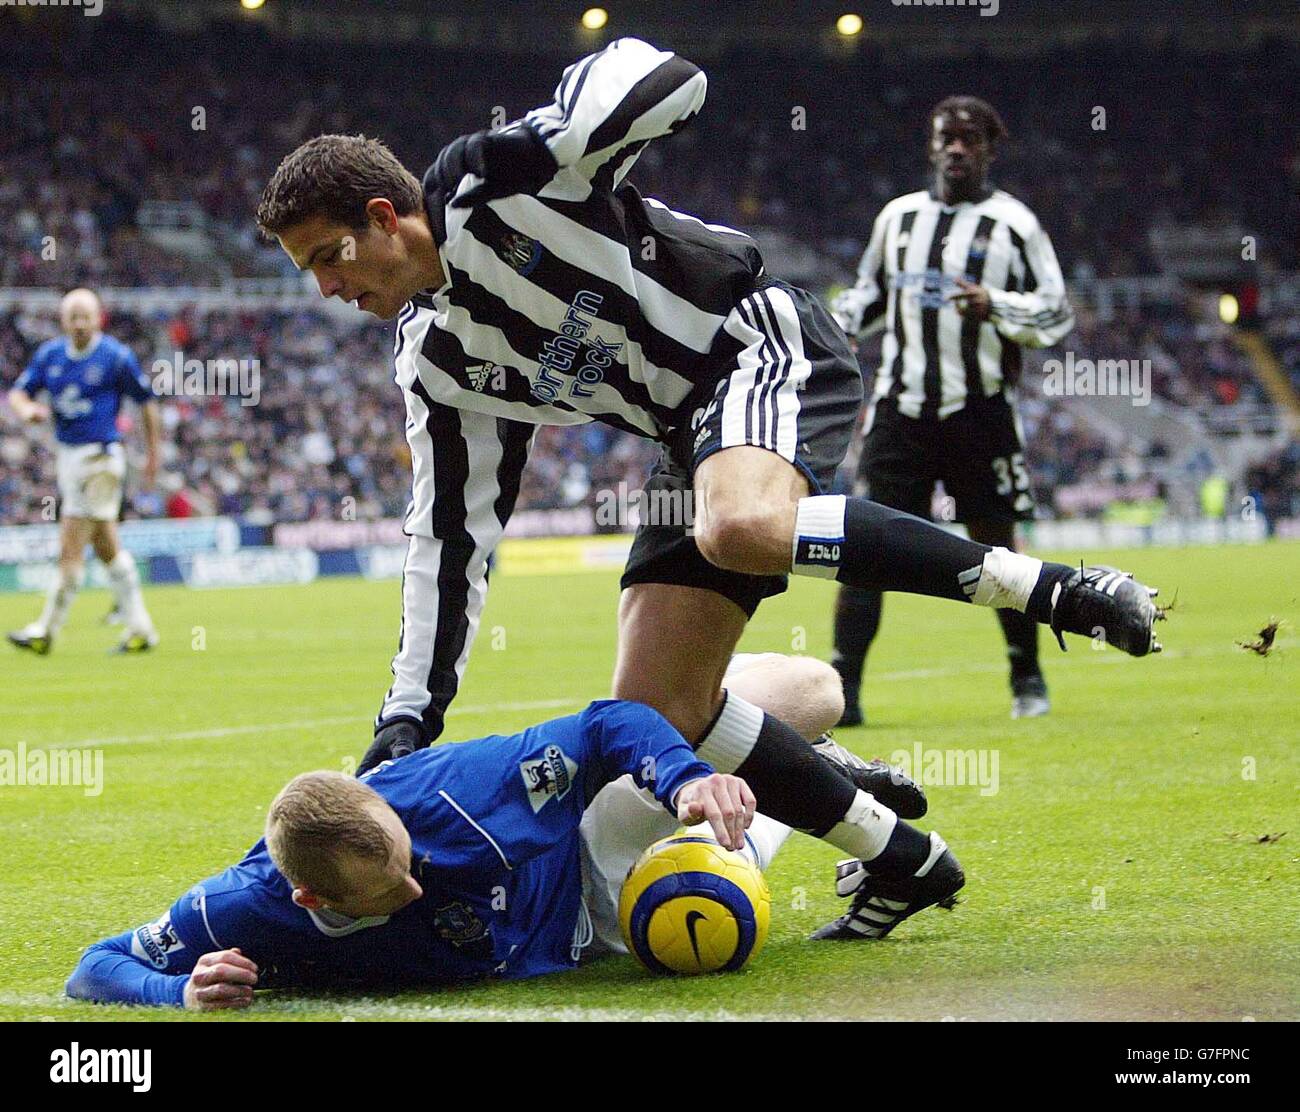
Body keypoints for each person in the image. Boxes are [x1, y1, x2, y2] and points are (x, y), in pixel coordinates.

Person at [254, 37, 1162, 939]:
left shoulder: (491, 186)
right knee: (656, 719)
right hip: (687, 437)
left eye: (328, 257)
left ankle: (1058, 589)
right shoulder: (434, 364)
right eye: (309, 274)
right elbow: (451, 541)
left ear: (384, 216)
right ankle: (906, 860)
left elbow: (668, 77)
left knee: (740, 527)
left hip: (761, 342)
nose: (329, 288)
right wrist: (408, 722)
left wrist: (570, 129)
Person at [65, 656, 943, 1009]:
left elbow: (609, 723)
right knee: (707, 909)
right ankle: (804, 771)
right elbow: (94, 967)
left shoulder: (446, 794)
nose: (417, 885)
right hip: (595, 934)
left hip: (584, 851)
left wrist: (684, 781)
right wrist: (174, 996)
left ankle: (797, 763)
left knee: (812, 688)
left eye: (408, 862)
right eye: (391, 892)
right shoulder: (237, 912)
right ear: (308, 898)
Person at [830, 96, 1075, 724]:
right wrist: (832, 327)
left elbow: (1055, 312)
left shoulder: (1014, 224)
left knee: (997, 549)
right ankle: (844, 692)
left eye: (971, 140)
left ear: (990, 150)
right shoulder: (898, 219)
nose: (957, 149)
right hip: (901, 412)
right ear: (932, 146)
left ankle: (1027, 677)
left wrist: (996, 305)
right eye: (947, 138)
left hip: (979, 413)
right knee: (863, 547)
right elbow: (871, 296)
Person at [6, 288, 161, 655]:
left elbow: (146, 404)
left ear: (98, 318)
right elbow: (17, 394)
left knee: (70, 546)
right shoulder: (50, 356)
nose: (78, 323)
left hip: (100, 461)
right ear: (63, 320)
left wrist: (152, 454)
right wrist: (27, 409)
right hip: (68, 459)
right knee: (107, 549)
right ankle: (141, 629)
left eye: (84, 316)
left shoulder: (115, 357)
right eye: (72, 316)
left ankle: (45, 630)